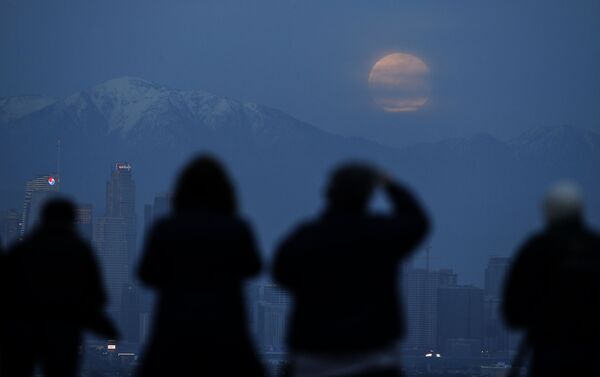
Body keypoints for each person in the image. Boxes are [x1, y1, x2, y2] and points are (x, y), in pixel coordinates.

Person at [273, 163, 430, 377]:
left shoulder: (305, 238)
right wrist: (389, 184)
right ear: (367, 196)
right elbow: (417, 221)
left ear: (329, 193)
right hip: (373, 358)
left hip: (312, 357)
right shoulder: (380, 235)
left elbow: (280, 274)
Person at [136, 155, 264, 377]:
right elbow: (253, 267)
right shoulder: (236, 228)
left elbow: (147, 274)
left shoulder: (166, 229)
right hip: (227, 334)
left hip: (173, 334)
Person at [1, 199, 117, 377]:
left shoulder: (22, 249)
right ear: (71, 220)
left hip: (22, 330)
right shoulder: (80, 251)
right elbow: (96, 296)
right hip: (64, 331)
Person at [503, 182, 600, 377]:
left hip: (548, 357)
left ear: (548, 212)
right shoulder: (595, 249)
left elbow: (512, 314)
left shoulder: (536, 249)